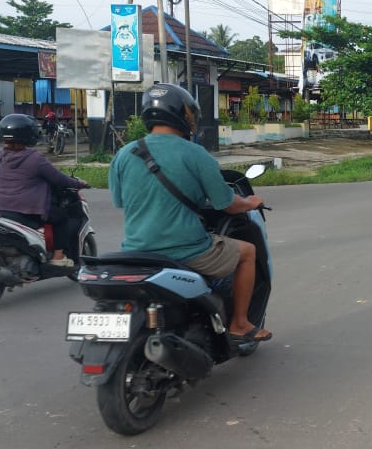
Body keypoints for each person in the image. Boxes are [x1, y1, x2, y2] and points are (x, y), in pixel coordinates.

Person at [109, 84, 271, 343]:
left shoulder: (124, 154)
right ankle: (240, 323)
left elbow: (120, 200)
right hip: (186, 249)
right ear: (184, 116)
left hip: (135, 250)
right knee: (247, 253)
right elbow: (225, 203)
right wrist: (250, 203)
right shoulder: (195, 153)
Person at [0, 114, 89, 267]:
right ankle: (58, 256)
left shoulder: (0, 154)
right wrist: (78, 183)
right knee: (61, 217)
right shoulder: (35, 159)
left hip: (1, 206)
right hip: (28, 209)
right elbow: (59, 179)